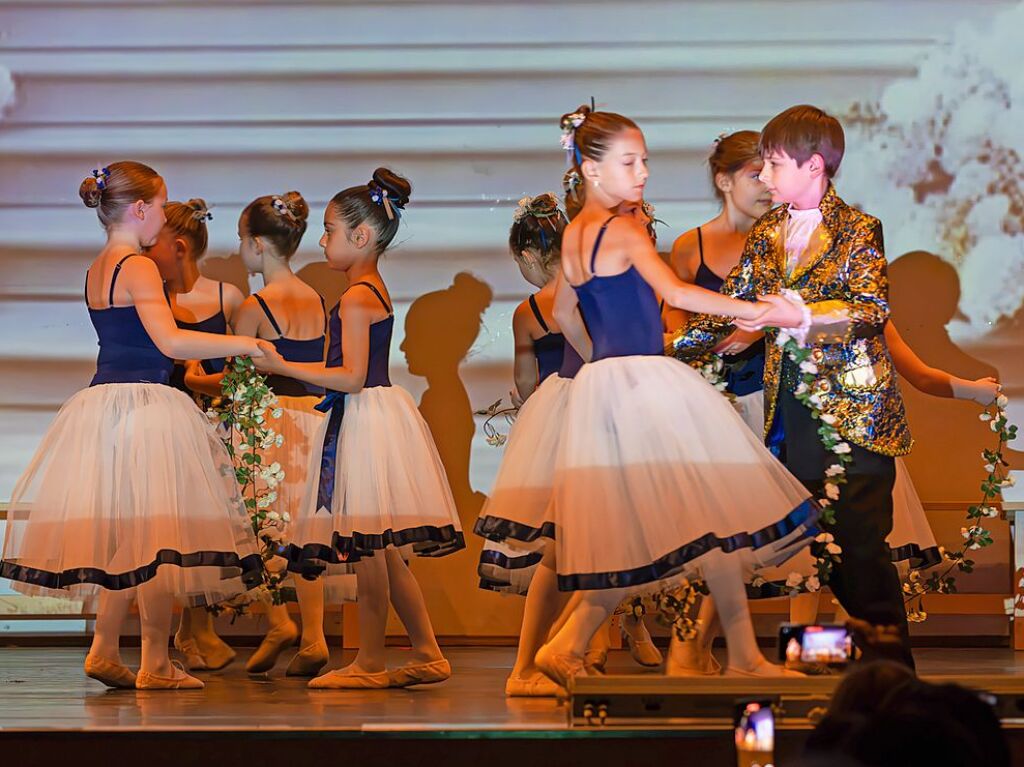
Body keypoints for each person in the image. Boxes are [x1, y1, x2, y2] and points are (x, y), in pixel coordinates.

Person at [529, 105, 819, 687]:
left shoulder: (575, 235)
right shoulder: (622, 228)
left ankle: (732, 652)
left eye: (645, 162)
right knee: (705, 511)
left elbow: (563, 312)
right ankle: (582, 643)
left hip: (610, 384)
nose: (642, 173)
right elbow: (675, 290)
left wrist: (601, 364)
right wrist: (762, 311)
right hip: (644, 385)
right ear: (590, 169)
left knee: (692, 520)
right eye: (630, 162)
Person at [0, 161, 265, 690]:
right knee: (158, 539)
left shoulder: (100, 265)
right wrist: (246, 343)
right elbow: (170, 343)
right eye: (162, 206)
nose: (165, 217)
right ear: (141, 209)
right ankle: (156, 663)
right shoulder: (139, 266)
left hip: (105, 405)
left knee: (133, 537)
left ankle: (104, 650)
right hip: (146, 404)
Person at [256, 168, 463, 689]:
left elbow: (349, 376)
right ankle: (428, 652)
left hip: (368, 416)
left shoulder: (356, 297)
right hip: (372, 415)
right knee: (386, 555)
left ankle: (371, 661)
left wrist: (282, 365)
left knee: (371, 552)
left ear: (361, 236)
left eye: (328, 230)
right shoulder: (369, 288)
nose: (322, 240)